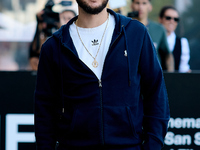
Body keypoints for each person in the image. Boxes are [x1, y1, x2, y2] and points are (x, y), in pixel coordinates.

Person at [34, 0, 170, 149]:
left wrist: (153, 145)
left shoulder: (135, 33)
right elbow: (44, 110)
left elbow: (156, 92)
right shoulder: (54, 46)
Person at [29, 0, 77, 71]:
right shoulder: (53, 37)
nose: (66, 21)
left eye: (69, 18)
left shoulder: (78, 38)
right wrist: (39, 25)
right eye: (63, 18)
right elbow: (36, 52)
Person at [131, 0, 174, 72]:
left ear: (150, 7)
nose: (140, 7)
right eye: (137, 3)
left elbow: (168, 55)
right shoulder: (124, 27)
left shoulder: (159, 29)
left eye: (144, 3)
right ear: (131, 6)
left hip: (152, 78)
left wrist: (170, 76)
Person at [159, 6, 191, 73]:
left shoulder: (182, 43)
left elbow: (183, 69)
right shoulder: (153, 39)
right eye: (168, 18)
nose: (172, 21)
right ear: (160, 19)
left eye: (176, 19)